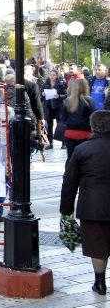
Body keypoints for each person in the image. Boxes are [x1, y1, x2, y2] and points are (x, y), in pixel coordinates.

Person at [61, 110, 110, 295]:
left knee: (97, 246)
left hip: (92, 207)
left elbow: (69, 182)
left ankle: (100, 282)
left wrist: (66, 210)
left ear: (93, 126)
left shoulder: (82, 150)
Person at [58, 78, 95, 165]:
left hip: (69, 133)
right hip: (85, 134)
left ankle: (69, 176)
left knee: (70, 158)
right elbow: (93, 118)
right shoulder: (89, 101)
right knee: (84, 159)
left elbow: (63, 118)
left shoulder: (67, 101)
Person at [42, 69, 68, 148]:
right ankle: (50, 143)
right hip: (48, 106)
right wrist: (42, 94)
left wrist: (59, 96)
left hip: (58, 106)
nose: (52, 77)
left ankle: (63, 143)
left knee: (60, 124)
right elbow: (41, 95)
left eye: (54, 75)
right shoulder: (45, 83)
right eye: (51, 75)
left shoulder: (61, 83)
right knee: (49, 125)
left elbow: (66, 95)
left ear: (57, 76)